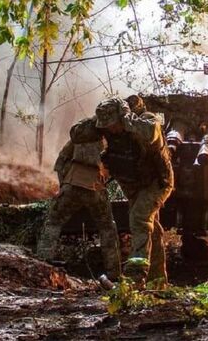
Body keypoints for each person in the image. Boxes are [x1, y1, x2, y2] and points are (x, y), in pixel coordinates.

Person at [71, 97, 174, 286]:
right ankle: (158, 282)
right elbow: (76, 134)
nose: (111, 129)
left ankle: (135, 277)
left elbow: (152, 132)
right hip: (133, 186)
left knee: (139, 218)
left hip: (156, 183)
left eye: (114, 124)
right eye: (107, 126)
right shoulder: (106, 127)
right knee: (151, 229)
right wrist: (96, 122)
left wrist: (127, 119)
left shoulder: (146, 121)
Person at [36, 137, 122, 281]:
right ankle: (114, 273)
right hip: (96, 188)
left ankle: (42, 264)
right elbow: (117, 167)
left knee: (53, 222)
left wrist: (64, 185)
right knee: (107, 228)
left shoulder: (78, 136)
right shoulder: (109, 138)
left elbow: (60, 162)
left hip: (71, 185)